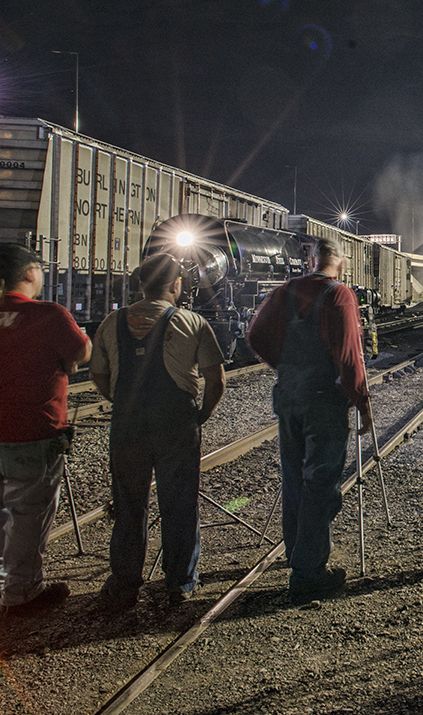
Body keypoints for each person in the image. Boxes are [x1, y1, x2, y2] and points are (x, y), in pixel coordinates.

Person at [91, 252, 226, 608]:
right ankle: (179, 582)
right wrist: (201, 416)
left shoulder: (111, 322)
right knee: (179, 502)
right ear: (177, 285)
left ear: (140, 284)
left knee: (128, 503)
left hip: (127, 425)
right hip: (176, 424)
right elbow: (216, 380)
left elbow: (98, 375)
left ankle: (124, 584)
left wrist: (123, 402)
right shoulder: (192, 322)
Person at [248, 237, 372, 604]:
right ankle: (308, 572)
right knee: (321, 482)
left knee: (294, 477)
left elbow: (255, 336)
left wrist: (286, 368)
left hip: (289, 398)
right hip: (323, 403)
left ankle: (296, 553)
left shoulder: (283, 292)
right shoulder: (340, 295)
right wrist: (361, 402)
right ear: (342, 261)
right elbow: (350, 357)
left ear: (312, 259)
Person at [0, 244, 90, 614]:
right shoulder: (49, 315)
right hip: (33, 432)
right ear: (30, 273)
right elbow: (82, 352)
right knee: (27, 514)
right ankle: (22, 593)